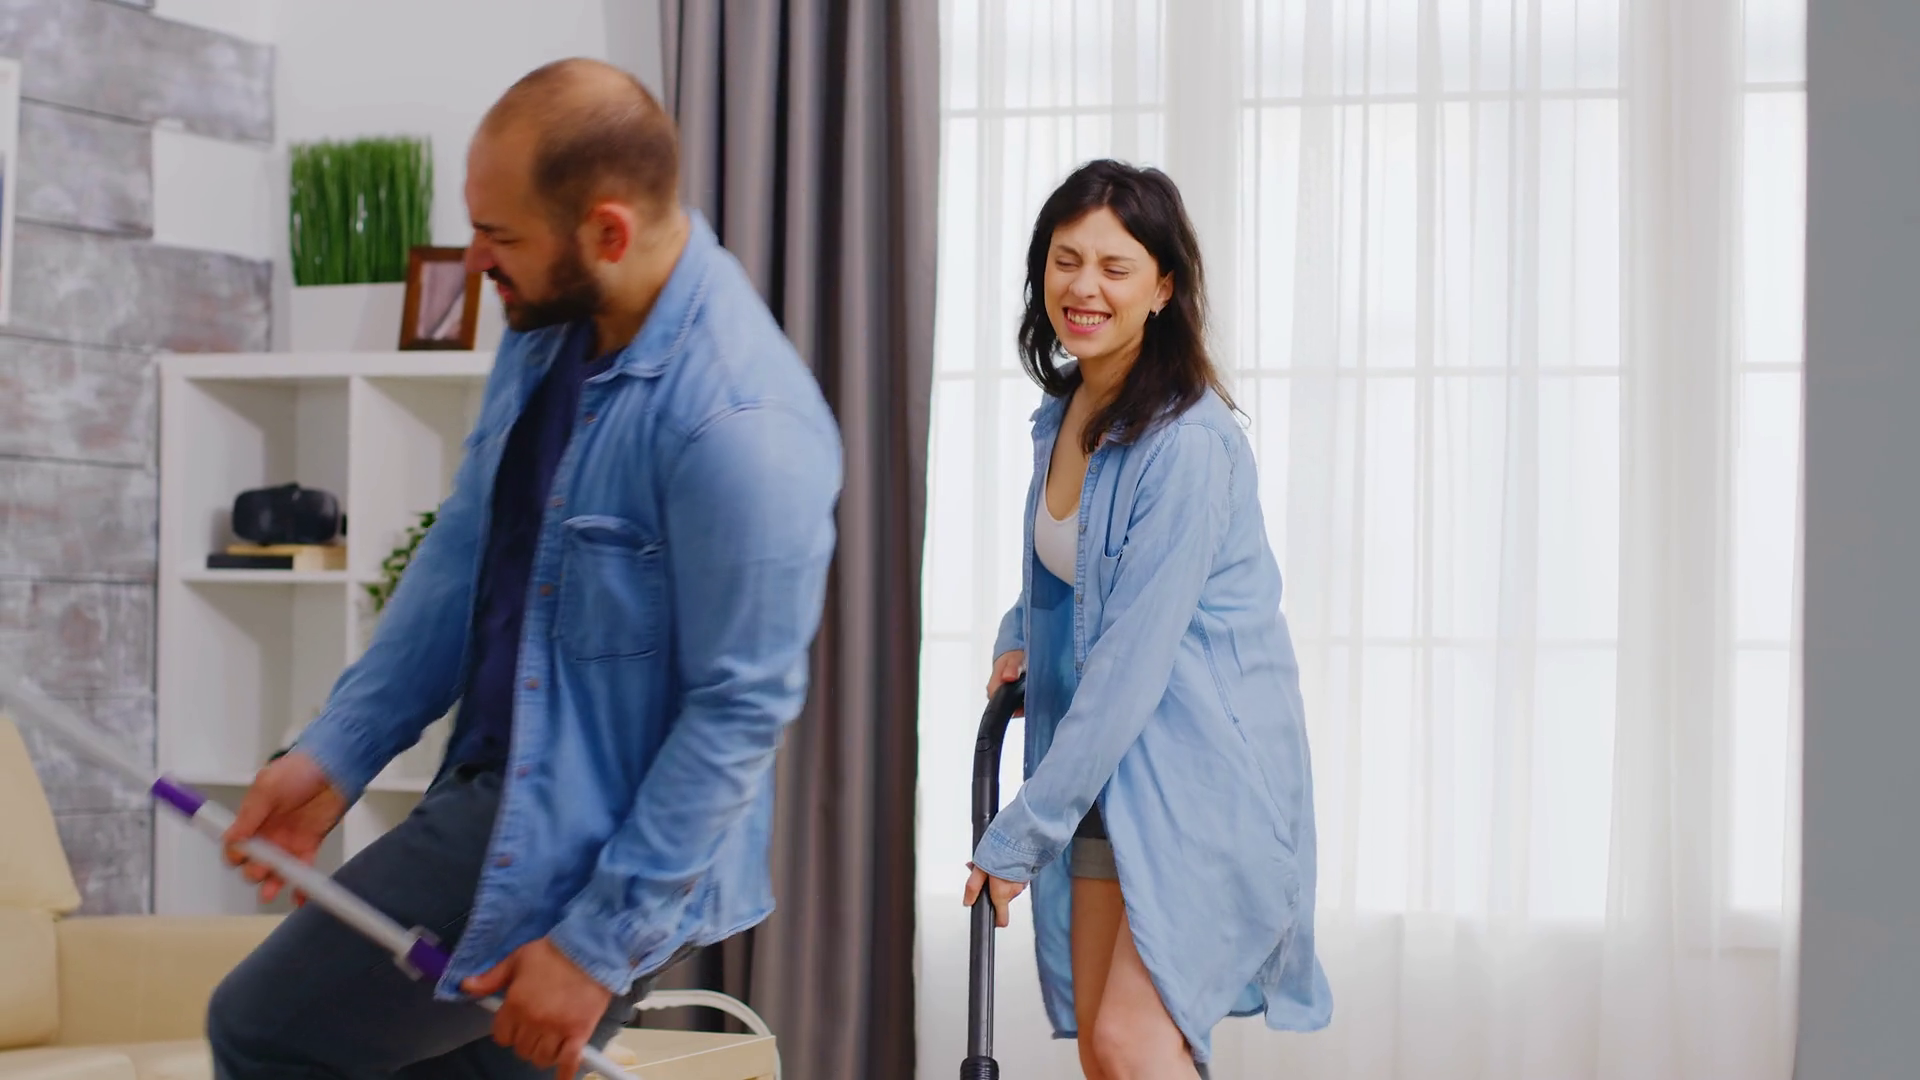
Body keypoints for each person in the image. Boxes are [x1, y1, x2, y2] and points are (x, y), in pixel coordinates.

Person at [206, 58, 843, 1080]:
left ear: (607, 232)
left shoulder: (741, 423)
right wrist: (337, 751)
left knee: (263, 1028)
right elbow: (469, 547)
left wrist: (596, 947)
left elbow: (737, 711)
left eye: (500, 238)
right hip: (502, 789)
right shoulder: (551, 324)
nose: (475, 262)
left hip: (588, 846)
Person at [963, 159, 1333, 1079]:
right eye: (1065, 258)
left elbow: (1132, 658)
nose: (1084, 286)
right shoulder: (1067, 413)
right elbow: (1072, 573)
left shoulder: (1189, 446)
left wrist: (1017, 836)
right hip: (1105, 770)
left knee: (1132, 1044)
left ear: (1163, 287)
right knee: (1105, 1046)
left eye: (1116, 266)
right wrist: (1020, 631)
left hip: (1199, 771)